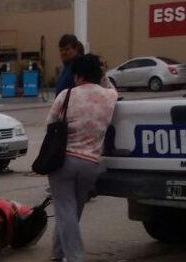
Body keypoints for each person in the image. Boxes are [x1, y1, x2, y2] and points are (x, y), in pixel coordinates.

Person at [46, 54, 118, 262]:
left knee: (65, 210)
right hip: (90, 164)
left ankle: (75, 257)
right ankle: (57, 253)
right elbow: (112, 88)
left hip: (63, 162)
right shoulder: (109, 97)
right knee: (73, 210)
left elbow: (50, 123)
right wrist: (104, 75)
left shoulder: (66, 95)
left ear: (77, 76)